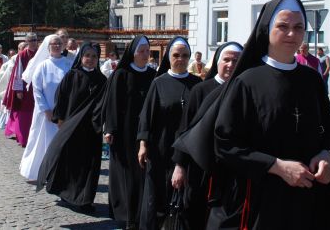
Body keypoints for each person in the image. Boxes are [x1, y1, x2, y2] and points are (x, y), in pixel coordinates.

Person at [176, 0, 330, 229]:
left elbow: (328, 132)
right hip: (257, 203)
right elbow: (225, 144)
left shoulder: (311, 80)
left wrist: (326, 155)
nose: (292, 34)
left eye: (298, 27)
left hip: (307, 201)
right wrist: (277, 166)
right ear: (266, 29)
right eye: (283, 26)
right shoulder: (247, 81)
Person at [171, 41, 242, 229]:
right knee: (195, 213)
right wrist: (180, 165)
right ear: (217, 61)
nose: (230, 64)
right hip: (200, 167)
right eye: (226, 59)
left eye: (236, 60)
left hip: (233, 169)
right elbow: (185, 130)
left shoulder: (246, 89)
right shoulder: (200, 90)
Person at [136, 37, 201, 229]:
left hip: (187, 149)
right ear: (169, 57)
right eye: (176, 55)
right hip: (161, 146)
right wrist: (142, 144)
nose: (180, 59)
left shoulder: (197, 84)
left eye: (185, 55)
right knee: (156, 195)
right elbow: (146, 116)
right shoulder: (159, 83)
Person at [37, 42, 107, 211]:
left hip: (91, 130)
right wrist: (60, 119)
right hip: (71, 128)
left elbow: (105, 104)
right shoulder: (71, 76)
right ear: (81, 57)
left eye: (94, 56)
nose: (90, 59)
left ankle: (85, 199)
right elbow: (60, 98)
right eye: (87, 55)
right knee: (71, 163)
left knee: (88, 166)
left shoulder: (103, 80)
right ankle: (67, 193)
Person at [102, 35, 157, 230]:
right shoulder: (121, 74)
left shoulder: (152, 75)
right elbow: (112, 104)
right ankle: (126, 213)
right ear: (133, 53)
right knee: (127, 172)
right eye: (141, 51)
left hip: (144, 129)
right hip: (124, 129)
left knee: (142, 171)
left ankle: (142, 212)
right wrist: (110, 128)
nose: (144, 55)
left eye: (147, 51)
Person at [19, 35, 72, 180]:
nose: (56, 46)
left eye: (59, 43)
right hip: (45, 112)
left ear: (63, 45)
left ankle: (60, 172)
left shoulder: (69, 64)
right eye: (53, 44)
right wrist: (46, 110)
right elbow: (37, 89)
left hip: (64, 112)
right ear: (48, 47)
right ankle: (41, 170)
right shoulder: (42, 66)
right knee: (42, 141)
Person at [4, 33, 38, 145]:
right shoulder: (22, 55)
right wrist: (18, 90)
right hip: (25, 89)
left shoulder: (41, 53)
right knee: (24, 113)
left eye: (35, 40)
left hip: (37, 87)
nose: (33, 42)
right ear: (27, 41)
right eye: (31, 40)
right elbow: (18, 73)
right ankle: (24, 138)